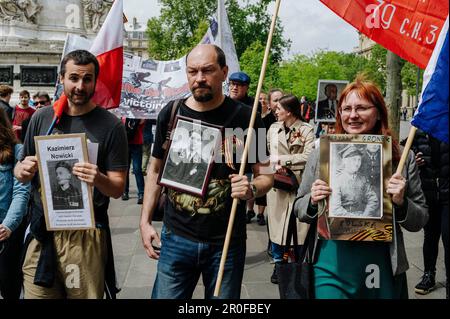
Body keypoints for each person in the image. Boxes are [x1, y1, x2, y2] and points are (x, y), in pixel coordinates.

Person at [139, 44, 273, 299]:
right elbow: (154, 170)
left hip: (226, 244)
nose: (199, 78)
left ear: (224, 72)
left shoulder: (246, 118)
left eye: (207, 70)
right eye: (193, 71)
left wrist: (252, 188)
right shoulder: (171, 112)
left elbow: (266, 174)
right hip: (175, 239)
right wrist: (144, 222)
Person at [293, 75, 428, 299]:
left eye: (361, 108)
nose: (352, 115)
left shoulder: (401, 158)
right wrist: (312, 200)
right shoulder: (322, 153)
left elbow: (420, 219)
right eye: (346, 109)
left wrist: (401, 203)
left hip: (380, 265)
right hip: (331, 264)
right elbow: (299, 207)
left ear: (378, 113)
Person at [14, 49, 128, 299]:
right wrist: (21, 171)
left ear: (95, 82)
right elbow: (21, 166)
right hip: (41, 233)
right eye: (74, 78)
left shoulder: (111, 126)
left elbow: (118, 188)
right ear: (61, 79)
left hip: (85, 237)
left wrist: (98, 178)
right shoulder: (42, 118)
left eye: (87, 79)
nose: (80, 86)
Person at [266, 94, 315, 284]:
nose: (275, 111)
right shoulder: (273, 128)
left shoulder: (306, 129)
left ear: (288, 111)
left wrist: (284, 161)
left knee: (298, 230)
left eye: (278, 109)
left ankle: (297, 266)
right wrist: (274, 165)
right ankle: (279, 266)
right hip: (278, 185)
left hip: (299, 184)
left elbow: (310, 155)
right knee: (277, 229)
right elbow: (270, 152)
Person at [407, 129, 448, 297]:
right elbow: (408, 152)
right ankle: (428, 275)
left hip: (447, 193)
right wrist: (414, 159)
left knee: (448, 236)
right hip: (428, 192)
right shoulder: (418, 132)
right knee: (430, 236)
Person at [0, 108, 31, 300]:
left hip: (6, 234)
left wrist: (8, 225)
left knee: (10, 286)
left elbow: (21, 193)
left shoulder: (16, 151)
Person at [329, 144, 379, 218]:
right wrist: (355, 217)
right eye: (354, 160)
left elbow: (373, 200)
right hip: (342, 219)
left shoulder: (363, 178)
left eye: (359, 160)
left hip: (363, 216)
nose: (357, 164)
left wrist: (365, 215)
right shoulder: (336, 179)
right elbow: (336, 209)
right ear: (345, 161)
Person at [122, 118, 145, 204]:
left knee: (136, 169)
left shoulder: (140, 116)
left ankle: (141, 193)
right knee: (127, 169)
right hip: (127, 144)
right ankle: (127, 192)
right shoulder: (124, 116)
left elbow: (142, 123)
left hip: (136, 144)